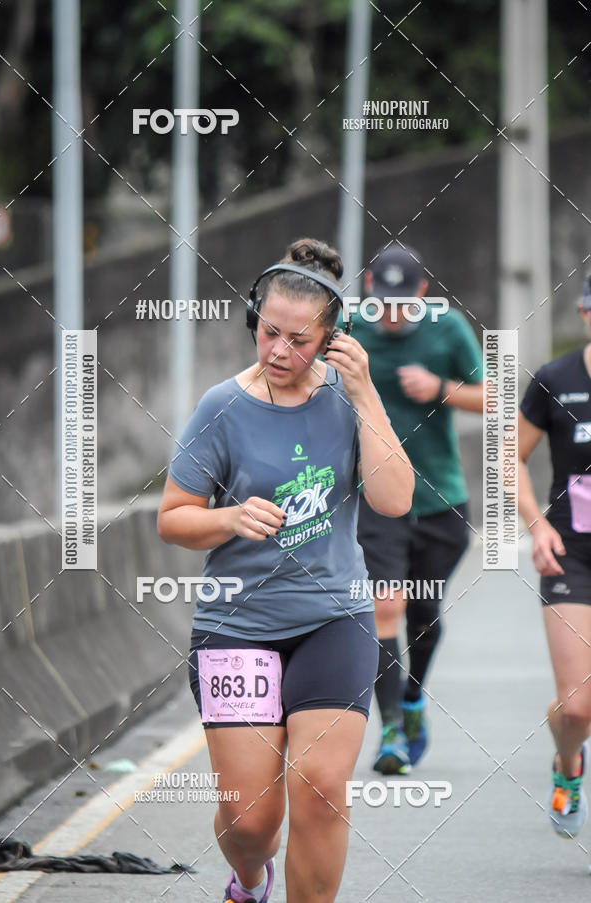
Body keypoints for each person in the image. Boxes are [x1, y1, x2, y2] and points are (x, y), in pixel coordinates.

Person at [157, 238, 414, 903]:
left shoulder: (348, 399)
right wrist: (229, 517)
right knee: (251, 822)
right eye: (269, 331)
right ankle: (249, 879)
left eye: (299, 340)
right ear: (254, 318)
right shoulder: (222, 406)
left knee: (321, 789)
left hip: (333, 617)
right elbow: (173, 518)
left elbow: (394, 499)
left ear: (332, 338)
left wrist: (366, 394)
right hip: (237, 624)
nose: (278, 350)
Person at [348, 243, 484, 774]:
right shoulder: (350, 330)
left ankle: (411, 700)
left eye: (404, 303)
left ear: (423, 293)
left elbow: (496, 398)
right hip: (377, 500)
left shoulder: (447, 329)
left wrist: (441, 388)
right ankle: (389, 735)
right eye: (383, 301)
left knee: (424, 614)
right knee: (386, 606)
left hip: (440, 499)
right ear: (368, 286)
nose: (392, 313)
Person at [518, 276, 591, 839]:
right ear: (586, 313)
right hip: (573, 554)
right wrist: (537, 526)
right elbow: (510, 457)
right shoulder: (555, 379)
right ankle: (569, 764)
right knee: (576, 709)